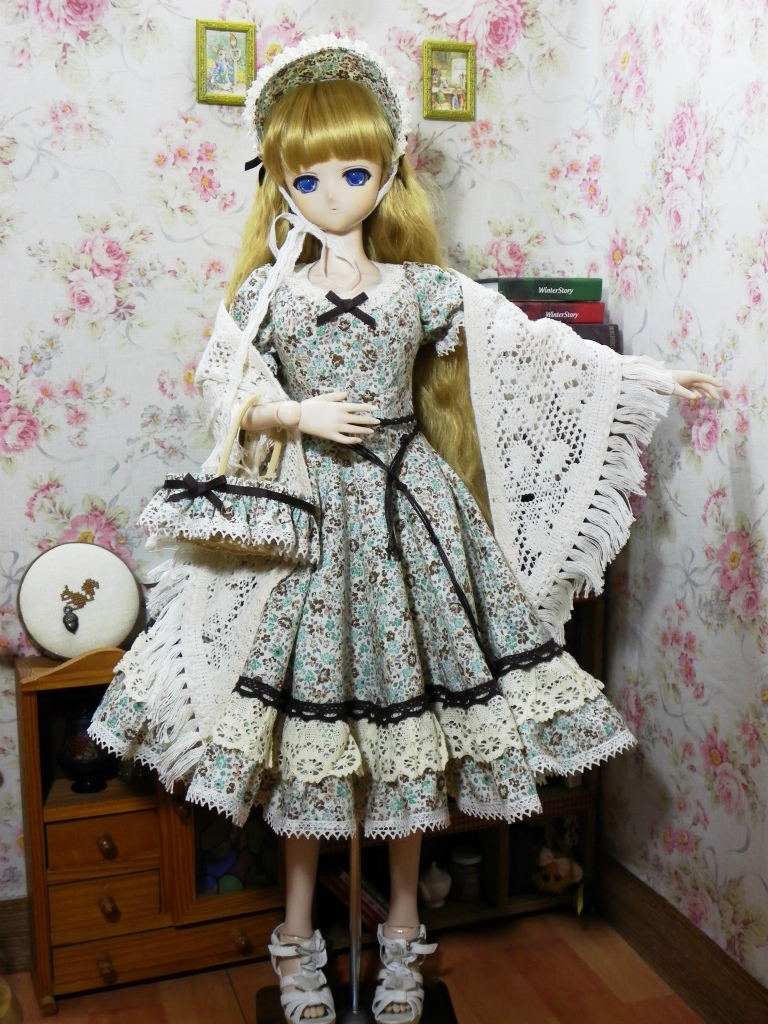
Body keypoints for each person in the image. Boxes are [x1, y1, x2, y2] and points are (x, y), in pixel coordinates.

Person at [90, 36, 719, 1024]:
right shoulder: (266, 294)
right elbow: (224, 391)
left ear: (388, 172)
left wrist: (641, 376)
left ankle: (400, 943)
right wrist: (293, 413)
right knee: (306, 743)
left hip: (410, 519)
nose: (333, 193)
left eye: (354, 171)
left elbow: (533, 347)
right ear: (279, 182)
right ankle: (297, 941)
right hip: (305, 527)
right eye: (309, 177)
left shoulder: (423, 288)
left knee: (406, 741)